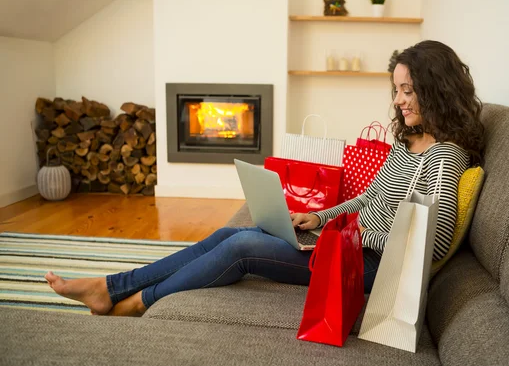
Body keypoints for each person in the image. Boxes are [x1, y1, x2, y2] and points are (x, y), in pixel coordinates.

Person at [45, 40, 485, 317]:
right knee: (227, 231)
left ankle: (136, 301)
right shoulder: (409, 143)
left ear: (437, 90)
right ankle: (112, 285)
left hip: (367, 267)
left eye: (408, 90)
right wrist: (320, 219)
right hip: (344, 245)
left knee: (241, 248)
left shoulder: (445, 156)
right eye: (396, 90)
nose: (399, 100)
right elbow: (370, 197)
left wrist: (354, 234)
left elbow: (436, 239)